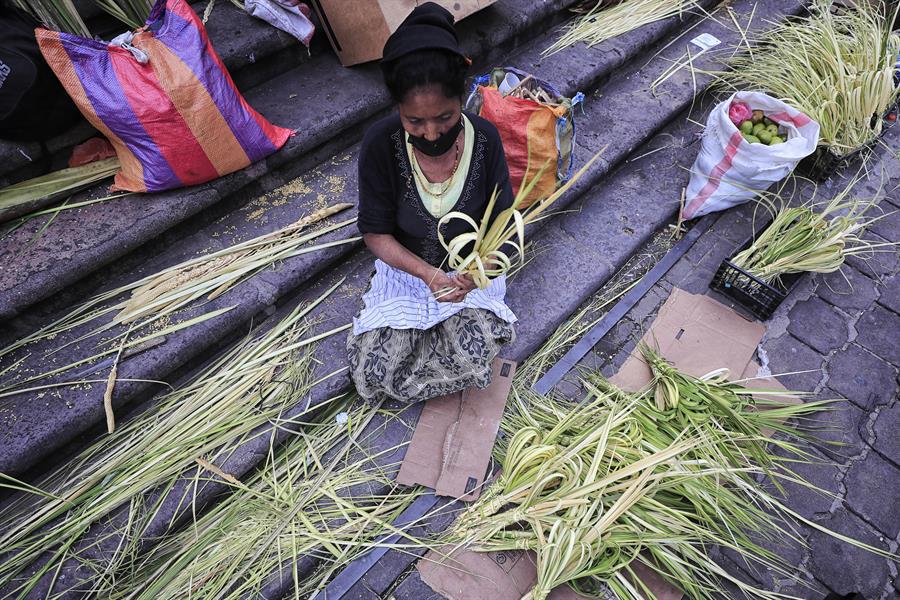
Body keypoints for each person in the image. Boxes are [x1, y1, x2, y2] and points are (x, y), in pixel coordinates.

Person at [347, 2, 517, 404]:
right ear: (397, 109)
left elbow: (505, 224)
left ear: (462, 96)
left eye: (444, 116)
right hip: (409, 272)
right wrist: (428, 276)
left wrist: (477, 273)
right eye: (414, 121)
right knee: (374, 371)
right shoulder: (380, 144)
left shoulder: (486, 139)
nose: (430, 132)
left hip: (468, 270)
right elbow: (375, 232)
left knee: (476, 356)